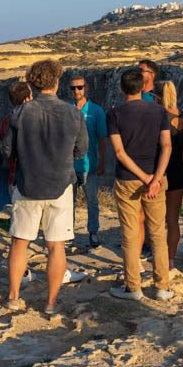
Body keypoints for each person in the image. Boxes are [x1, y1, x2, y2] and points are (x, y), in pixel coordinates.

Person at [0, 59, 87, 315]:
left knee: (19, 242)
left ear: (33, 83)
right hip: (60, 186)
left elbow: (7, 150)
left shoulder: (21, 113)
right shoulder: (73, 113)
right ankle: (50, 302)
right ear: (57, 82)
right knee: (56, 246)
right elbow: (81, 151)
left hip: (27, 184)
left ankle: (14, 297)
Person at [108, 68, 174, 301]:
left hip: (127, 179)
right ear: (143, 85)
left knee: (130, 234)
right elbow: (166, 146)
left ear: (122, 88)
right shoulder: (159, 112)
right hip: (156, 177)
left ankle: (133, 287)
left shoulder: (115, 113)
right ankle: (162, 286)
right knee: (157, 233)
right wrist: (155, 178)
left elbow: (119, 152)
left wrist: (145, 178)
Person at [70, 75, 108, 247]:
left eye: (79, 87)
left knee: (92, 200)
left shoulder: (96, 111)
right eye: (73, 88)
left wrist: (102, 161)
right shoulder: (67, 110)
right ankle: (68, 233)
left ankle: (93, 231)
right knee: (68, 202)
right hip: (68, 166)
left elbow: (102, 139)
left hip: (89, 164)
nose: (76, 91)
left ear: (86, 88)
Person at [160, 80, 183, 274]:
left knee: (156, 219)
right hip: (179, 169)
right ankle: (171, 260)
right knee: (173, 219)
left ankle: (159, 258)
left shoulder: (160, 117)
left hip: (162, 171)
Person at [0, 81, 33, 198]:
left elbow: (6, 151)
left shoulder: (5, 122)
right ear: (26, 99)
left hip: (14, 178)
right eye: (31, 95)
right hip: (32, 178)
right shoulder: (35, 119)